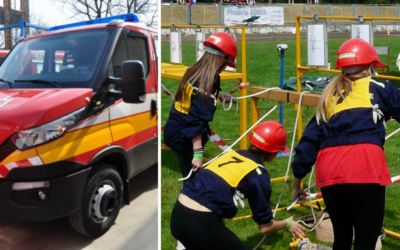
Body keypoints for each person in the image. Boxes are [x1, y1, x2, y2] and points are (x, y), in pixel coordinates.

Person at [291, 38, 400, 250]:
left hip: (330, 171)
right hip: (366, 166)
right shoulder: (380, 87)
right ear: (371, 66)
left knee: (341, 238)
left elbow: (308, 143)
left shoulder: (329, 96)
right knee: (366, 241)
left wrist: (297, 183)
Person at [170, 121, 307, 250]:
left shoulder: (233, 154)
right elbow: (265, 227)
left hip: (177, 215)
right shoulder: (258, 174)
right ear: (273, 152)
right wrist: (288, 224)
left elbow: (215, 193)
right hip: (201, 221)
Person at [164, 32, 236, 184]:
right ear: (222, 58)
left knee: (193, 179)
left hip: (175, 129)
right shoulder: (206, 81)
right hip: (184, 136)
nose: (225, 68)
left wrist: (218, 96)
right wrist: (198, 153)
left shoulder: (196, 71)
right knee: (193, 182)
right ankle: (187, 204)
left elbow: (193, 99)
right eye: (227, 63)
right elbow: (196, 119)